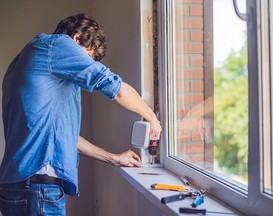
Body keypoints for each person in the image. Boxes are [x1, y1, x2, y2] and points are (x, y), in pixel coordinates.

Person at [0, 13, 162, 216]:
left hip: (18, 188)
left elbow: (62, 137)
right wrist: (152, 117)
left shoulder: (26, 60)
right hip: (37, 191)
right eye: (88, 58)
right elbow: (115, 87)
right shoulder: (57, 46)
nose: (86, 66)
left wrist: (112, 158)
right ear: (76, 39)